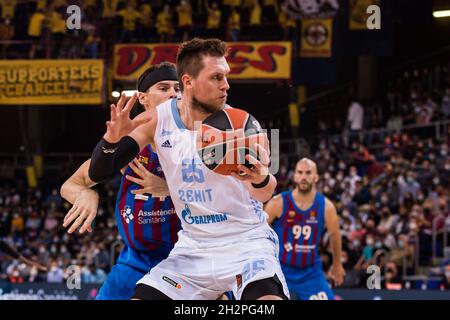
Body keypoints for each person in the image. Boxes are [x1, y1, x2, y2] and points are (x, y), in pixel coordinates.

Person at [88, 38, 290, 300]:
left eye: (226, 76)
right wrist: (110, 141)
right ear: (188, 81)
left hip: (246, 245)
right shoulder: (156, 120)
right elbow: (100, 171)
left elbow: (265, 194)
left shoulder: (242, 122)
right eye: (216, 77)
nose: (226, 85)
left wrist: (261, 177)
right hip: (192, 250)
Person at [60, 62, 181, 300]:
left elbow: (225, 193)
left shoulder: (196, 138)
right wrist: (87, 193)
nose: (173, 93)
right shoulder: (133, 144)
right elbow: (71, 184)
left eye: (178, 88)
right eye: (164, 87)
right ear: (143, 99)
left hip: (184, 256)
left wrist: (169, 188)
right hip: (136, 259)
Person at [264, 158, 345, 300]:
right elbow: (259, 229)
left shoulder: (326, 206)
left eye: (308, 173)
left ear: (316, 177)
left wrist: (337, 264)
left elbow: (334, 234)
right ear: (295, 176)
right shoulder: (278, 202)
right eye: (300, 172)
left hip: (310, 272)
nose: (303, 177)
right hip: (280, 269)